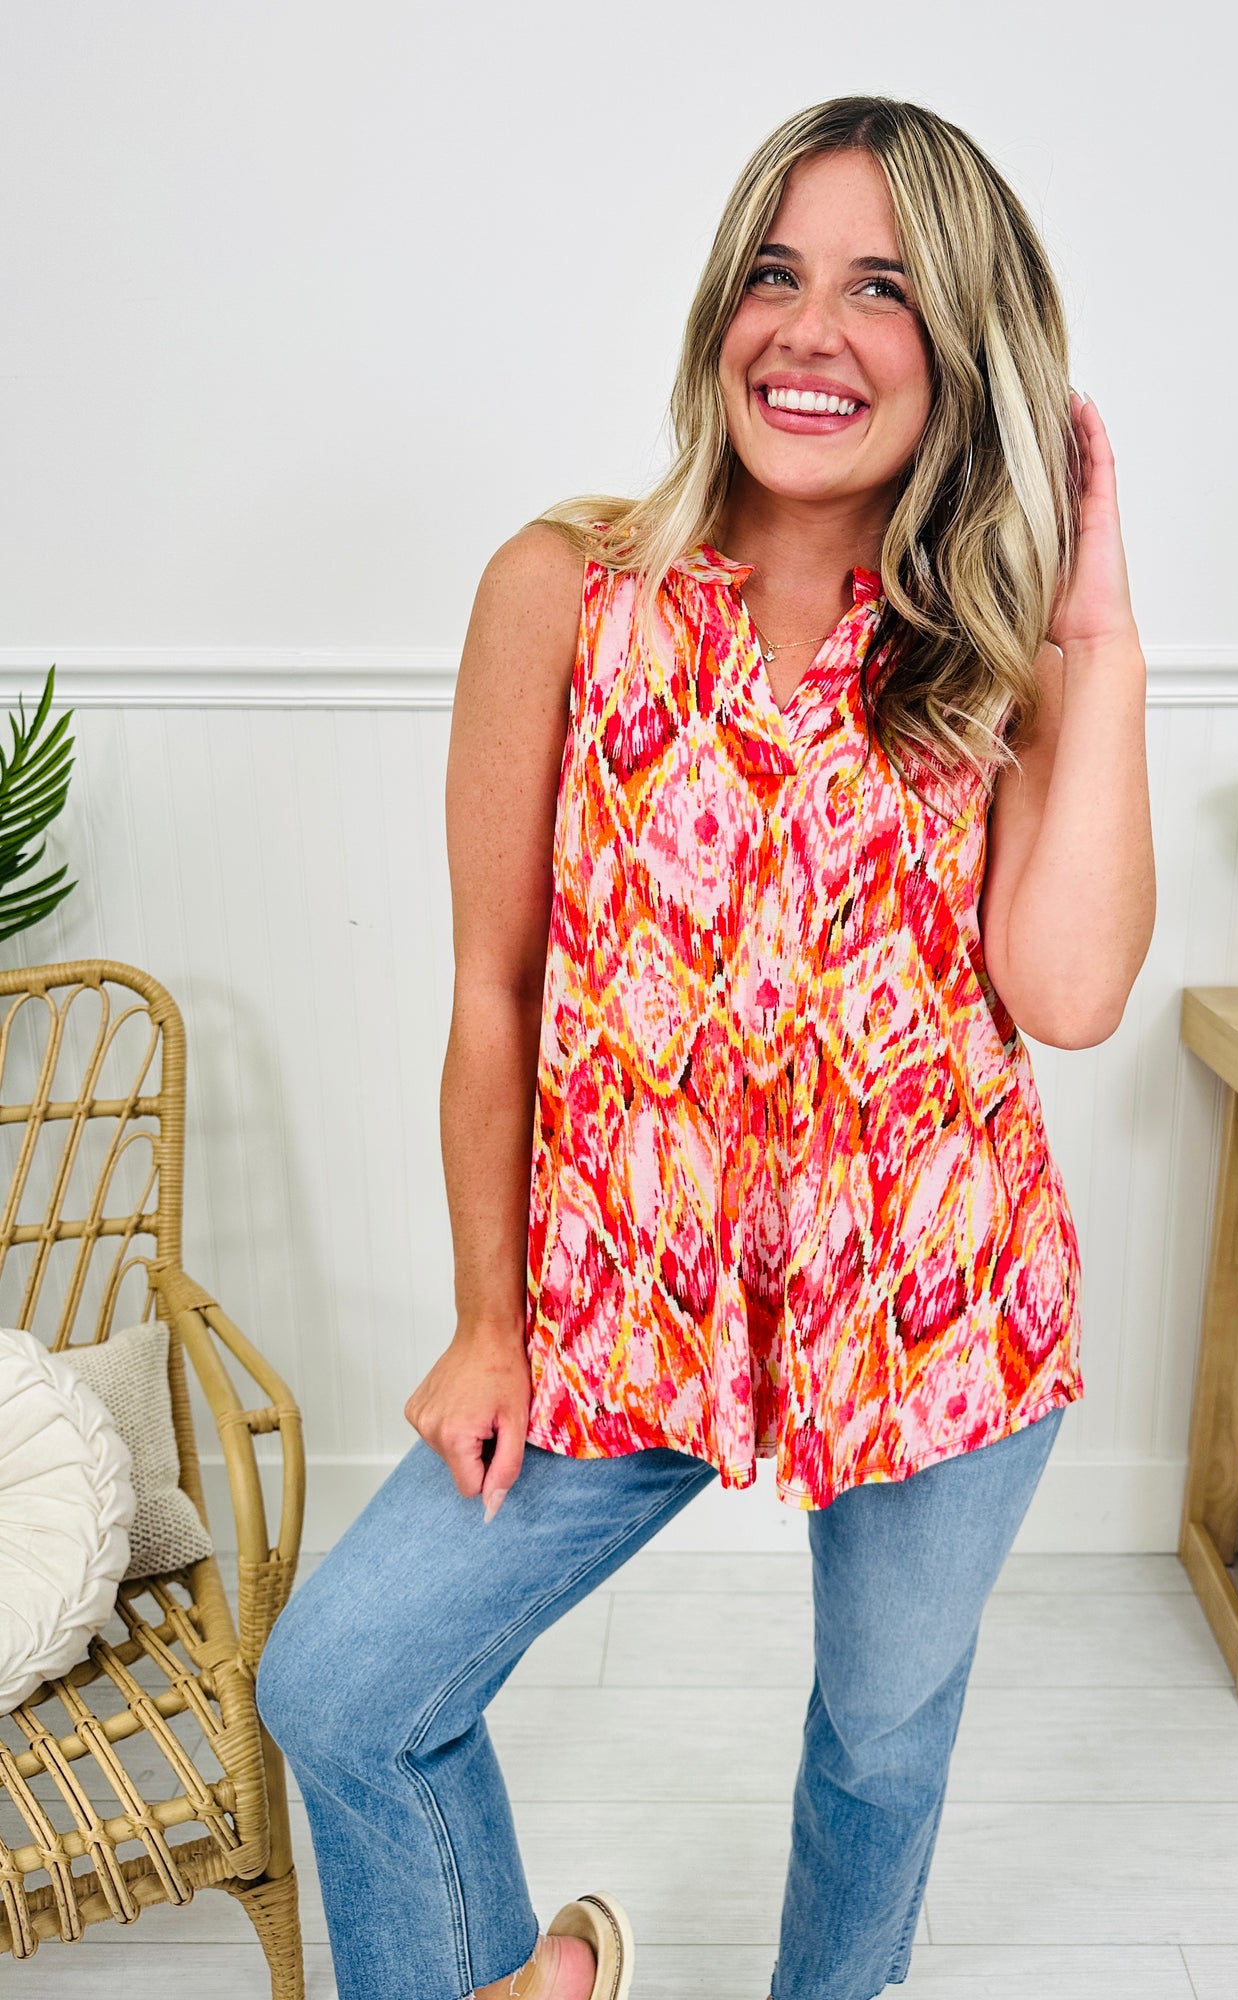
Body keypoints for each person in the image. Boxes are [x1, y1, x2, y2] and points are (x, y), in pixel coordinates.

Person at [256, 92, 1154, 2000]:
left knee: (878, 1747)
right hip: (621, 1288)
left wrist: (1103, 651)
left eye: (882, 289)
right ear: (718, 310)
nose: (809, 331)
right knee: (342, 1688)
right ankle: (536, 1977)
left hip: (939, 1303)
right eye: (776, 273)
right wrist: (489, 1318)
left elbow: (1069, 997)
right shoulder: (562, 590)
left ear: (967, 347)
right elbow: (494, 989)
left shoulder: (997, 650)